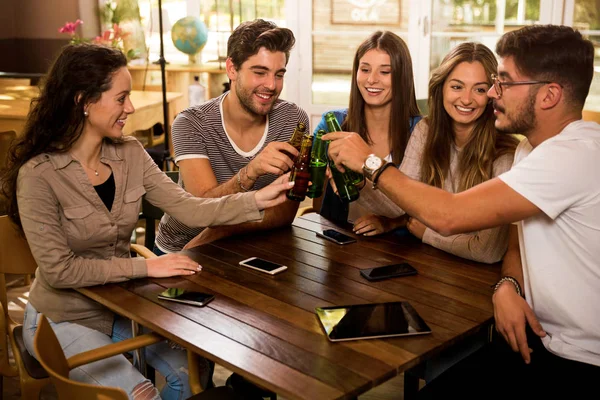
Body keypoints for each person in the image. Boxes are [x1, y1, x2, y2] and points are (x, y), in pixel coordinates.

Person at [0, 43, 293, 400]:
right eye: (121, 98)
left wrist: (255, 200)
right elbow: (61, 271)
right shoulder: (38, 175)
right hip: (62, 318)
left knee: (192, 369)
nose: (131, 108)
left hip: (120, 308)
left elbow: (190, 208)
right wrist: (147, 268)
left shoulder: (130, 154)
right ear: (84, 101)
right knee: (141, 392)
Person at [324, 25, 600, 396]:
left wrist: (371, 164)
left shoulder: (575, 155)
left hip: (580, 358)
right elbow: (519, 239)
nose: (493, 94)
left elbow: (451, 217)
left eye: (504, 83)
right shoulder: (531, 151)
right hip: (531, 334)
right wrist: (507, 287)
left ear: (549, 95)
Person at [155, 19, 309, 254]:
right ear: (232, 69)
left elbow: (286, 211)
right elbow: (202, 210)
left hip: (251, 245)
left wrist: (222, 231)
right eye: (260, 72)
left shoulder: (292, 120)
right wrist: (251, 172)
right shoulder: (191, 123)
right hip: (183, 250)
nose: (271, 85)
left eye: (279, 74)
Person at [392, 42, 518, 263]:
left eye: (479, 89)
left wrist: (427, 233)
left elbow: (487, 251)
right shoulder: (426, 130)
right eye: (457, 87)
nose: (467, 99)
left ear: (492, 95)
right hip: (427, 264)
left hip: (478, 279)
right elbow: (400, 200)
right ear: (441, 88)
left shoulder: (505, 154)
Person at [312, 31, 422, 230]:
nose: (371, 79)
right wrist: (321, 174)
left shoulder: (420, 131)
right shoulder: (332, 124)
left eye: (385, 72)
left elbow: (426, 207)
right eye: (365, 69)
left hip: (401, 249)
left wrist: (391, 223)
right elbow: (316, 203)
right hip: (341, 244)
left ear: (402, 77)